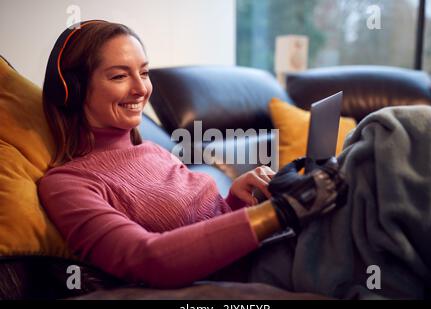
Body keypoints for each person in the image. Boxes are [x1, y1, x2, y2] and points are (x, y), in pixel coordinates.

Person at [37, 20, 345, 291]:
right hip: (264, 268)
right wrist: (280, 212)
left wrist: (236, 202)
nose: (140, 89)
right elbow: (147, 257)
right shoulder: (68, 184)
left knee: (368, 152)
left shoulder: (153, 150)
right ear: (73, 90)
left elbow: (201, 224)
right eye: (119, 76)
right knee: (381, 138)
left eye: (143, 73)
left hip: (281, 244)